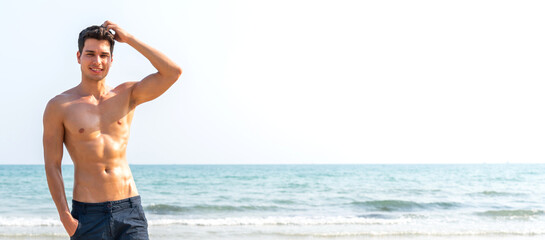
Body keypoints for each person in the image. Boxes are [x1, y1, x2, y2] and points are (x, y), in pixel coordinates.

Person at [43, 20, 182, 239]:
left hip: (129, 211)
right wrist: (65, 218)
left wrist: (129, 39)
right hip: (87, 216)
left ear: (111, 59)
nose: (97, 61)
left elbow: (172, 72)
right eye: (90, 54)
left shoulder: (126, 95)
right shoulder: (59, 106)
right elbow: (52, 166)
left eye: (103, 55)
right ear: (78, 57)